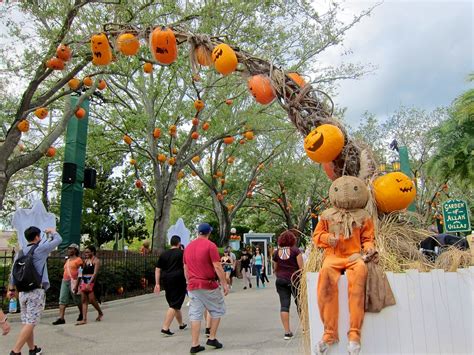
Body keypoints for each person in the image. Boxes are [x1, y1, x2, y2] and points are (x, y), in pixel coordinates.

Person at [8, 226, 62, 355]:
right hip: (36, 291)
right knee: (31, 322)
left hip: (22, 292)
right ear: (37, 237)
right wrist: (51, 231)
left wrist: (11, 289)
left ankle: (32, 349)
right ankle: (15, 351)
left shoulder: (20, 253)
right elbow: (59, 239)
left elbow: (12, 273)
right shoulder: (41, 249)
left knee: (27, 322)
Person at [183, 223, 229, 354]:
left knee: (195, 314)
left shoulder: (188, 247)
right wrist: (224, 283)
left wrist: (188, 281)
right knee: (217, 309)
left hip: (192, 285)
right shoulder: (210, 246)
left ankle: (195, 344)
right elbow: (217, 266)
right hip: (208, 284)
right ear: (209, 233)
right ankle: (212, 338)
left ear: (198, 232)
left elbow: (185, 268)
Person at [272, 230, 303, 340]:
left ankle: (287, 332)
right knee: (300, 304)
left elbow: (274, 268)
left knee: (284, 305)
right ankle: (304, 328)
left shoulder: (276, 253)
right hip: (294, 280)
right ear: (292, 240)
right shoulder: (296, 251)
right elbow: (301, 268)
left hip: (281, 281)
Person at [154, 235, 188, 336]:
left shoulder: (163, 254)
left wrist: (157, 284)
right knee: (174, 304)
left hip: (166, 280)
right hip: (178, 280)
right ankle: (165, 328)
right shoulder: (182, 253)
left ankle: (181, 324)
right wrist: (188, 280)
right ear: (179, 243)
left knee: (174, 303)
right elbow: (185, 267)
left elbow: (157, 269)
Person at [52, 243, 83, 325]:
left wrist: (77, 285)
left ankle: (82, 313)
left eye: (71, 248)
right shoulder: (68, 260)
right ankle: (61, 318)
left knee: (77, 299)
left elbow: (80, 273)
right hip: (65, 281)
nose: (69, 250)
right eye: (68, 248)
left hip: (74, 281)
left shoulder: (79, 260)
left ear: (75, 250)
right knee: (62, 298)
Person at [76, 245, 103, 325]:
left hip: (91, 281)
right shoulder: (85, 261)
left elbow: (95, 273)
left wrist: (90, 282)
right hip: (84, 281)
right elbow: (81, 272)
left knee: (91, 299)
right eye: (85, 252)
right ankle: (84, 319)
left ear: (92, 252)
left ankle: (100, 312)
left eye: (88, 252)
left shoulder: (96, 261)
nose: (86, 253)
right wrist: (79, 283)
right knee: (84, 300)